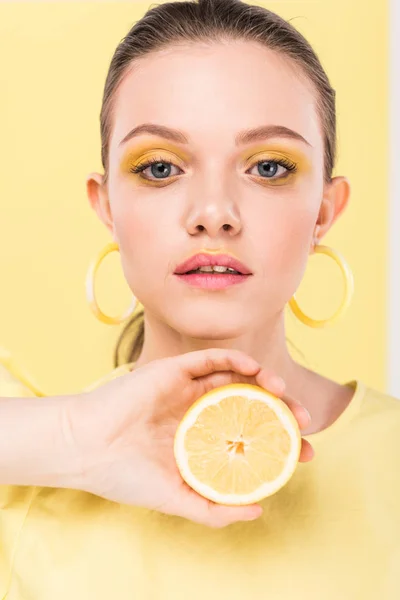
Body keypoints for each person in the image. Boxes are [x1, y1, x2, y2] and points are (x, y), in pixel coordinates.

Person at [0, 0, 399, 598]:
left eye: (268, 166)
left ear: (324, 210)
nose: (214, 214)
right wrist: (74, 440)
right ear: (107, 206)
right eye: (160, 168)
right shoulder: (28, 463)